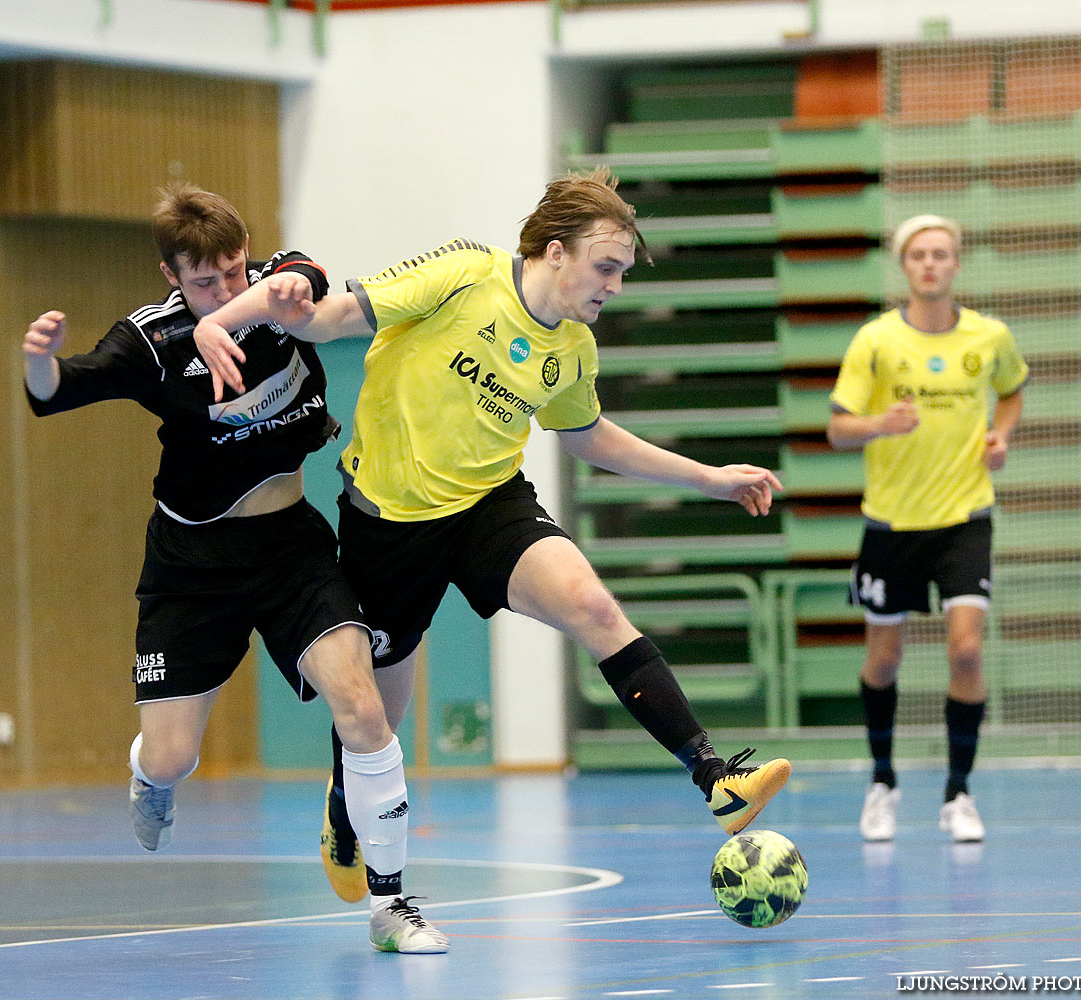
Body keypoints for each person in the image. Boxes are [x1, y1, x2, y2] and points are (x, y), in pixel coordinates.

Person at [190, 168, 794, 896]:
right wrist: (263, 312)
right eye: (607, 268)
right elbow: (331, 320)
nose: (615, 286)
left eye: (624, 273)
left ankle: (717, 777)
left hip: (489, 508)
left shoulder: (572, 347)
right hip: (391, 523)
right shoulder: (463, 274)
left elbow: (588, 436)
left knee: (595, 608)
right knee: (376, 718)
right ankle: (345, 817)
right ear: (556, 252)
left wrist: (709, 477)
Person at [21, 184, 446, 954]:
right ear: (171, 274)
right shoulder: (152, 342)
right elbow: (60, 392)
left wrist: (271, 293)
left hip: (291, 549)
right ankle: (149, 777)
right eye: (203, 281)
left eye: (234, 270)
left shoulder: (276, 289)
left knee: (363, 707)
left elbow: (304, 278)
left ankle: (390, 906)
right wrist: (39, 363)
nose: (223, 289)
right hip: (192, 565)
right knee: (174, 755)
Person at [826, 214, 1028, 844]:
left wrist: (1002, 435)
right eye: (919, 255)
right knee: (884, 661)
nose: (931, 264)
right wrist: (878, 425)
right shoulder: (876, 342)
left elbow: (1013, 390)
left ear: (956, 264)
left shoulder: (990, 337)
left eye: (942, 254)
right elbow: (836, 428)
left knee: (966, 649)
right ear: (905, 265)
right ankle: (882, 782)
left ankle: (958, 793)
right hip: (891, 523)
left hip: (965, 517)